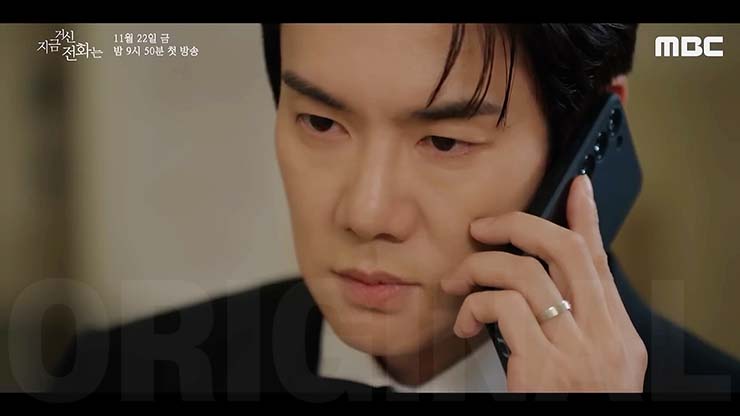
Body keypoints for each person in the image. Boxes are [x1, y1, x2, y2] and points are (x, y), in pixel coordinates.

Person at [50, 23, 740, 398]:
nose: (366, 211)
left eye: (444, 142)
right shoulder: (119, 374)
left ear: (589, 140)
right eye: (321, 123)